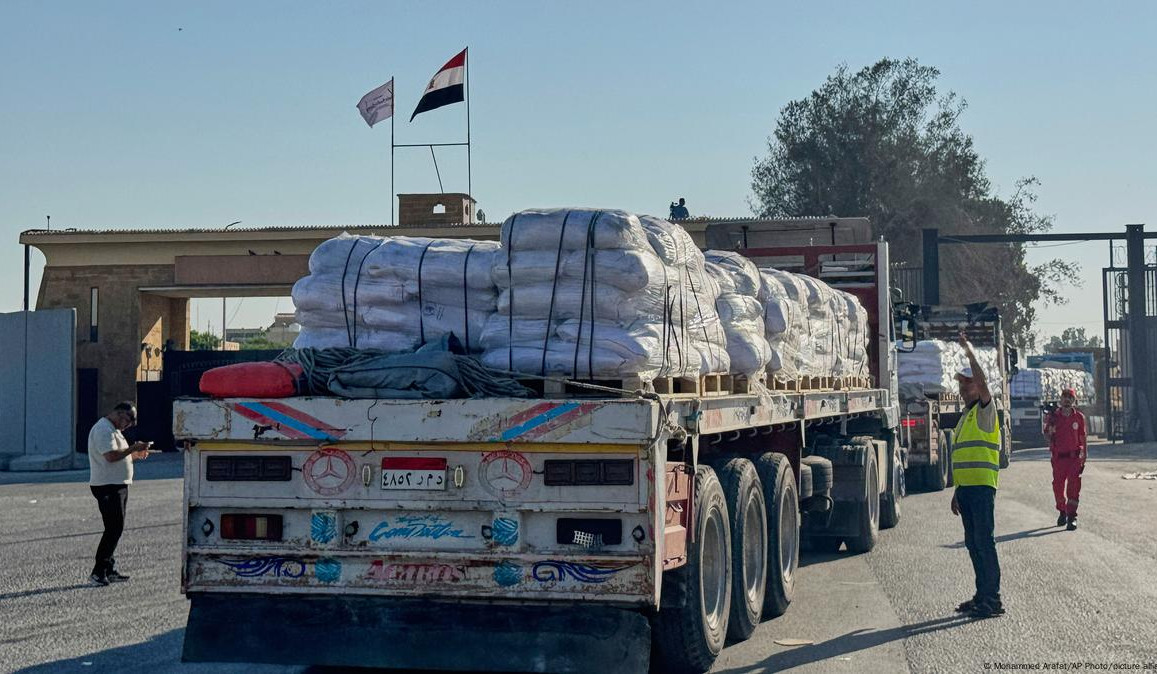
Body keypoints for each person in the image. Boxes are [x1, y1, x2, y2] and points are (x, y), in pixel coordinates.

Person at [949, 332, 1004, 619]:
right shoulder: (966, 415)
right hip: (968, 490)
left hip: (983, 488)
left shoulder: (985, 411)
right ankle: (981, 595)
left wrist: (970, 353)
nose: (963, 388)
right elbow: (963, 456)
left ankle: (992, 600)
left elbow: (983, 384)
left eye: (967, 383)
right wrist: (957, 491)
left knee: (984, 542)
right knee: (974, 544)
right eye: (961, 384)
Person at [88, 401, 150, 586]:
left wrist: (134, 455)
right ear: (120, 414)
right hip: (107, 485)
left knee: (116, 527)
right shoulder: (103, 430)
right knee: (114, 528)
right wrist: (133, 448)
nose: (128, 425)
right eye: (128, 421)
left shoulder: (114, 431)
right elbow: (111, 456)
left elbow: (118, 457)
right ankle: (98, 571)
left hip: (117, 484)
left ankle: (109, 569)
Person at [1043, 388, 1086, 530]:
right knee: (1058, 486)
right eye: (1064, 396)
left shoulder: (1079, 417)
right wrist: (1050, 431)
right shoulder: (1054, 417)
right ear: (1060, 399)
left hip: (1074, 458)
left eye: (1070, 397)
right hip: (1059, 458)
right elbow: (1047, 434)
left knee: (1074, 486)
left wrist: (1084, 455)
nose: (1067, 399)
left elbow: (1082, 438)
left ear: (1074, 401)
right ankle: (1062, 511)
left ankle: (1072, 516)